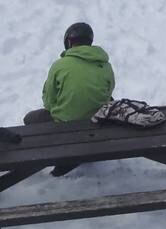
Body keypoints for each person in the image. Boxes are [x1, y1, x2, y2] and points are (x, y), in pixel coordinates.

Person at [24, 22, 115, 177]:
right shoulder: (105, 64)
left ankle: (67, 156)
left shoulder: (60, 65)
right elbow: (109, 91)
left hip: (66, 126)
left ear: (69, 42)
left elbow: (48, 101)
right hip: (97, 123)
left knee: (30, 119)